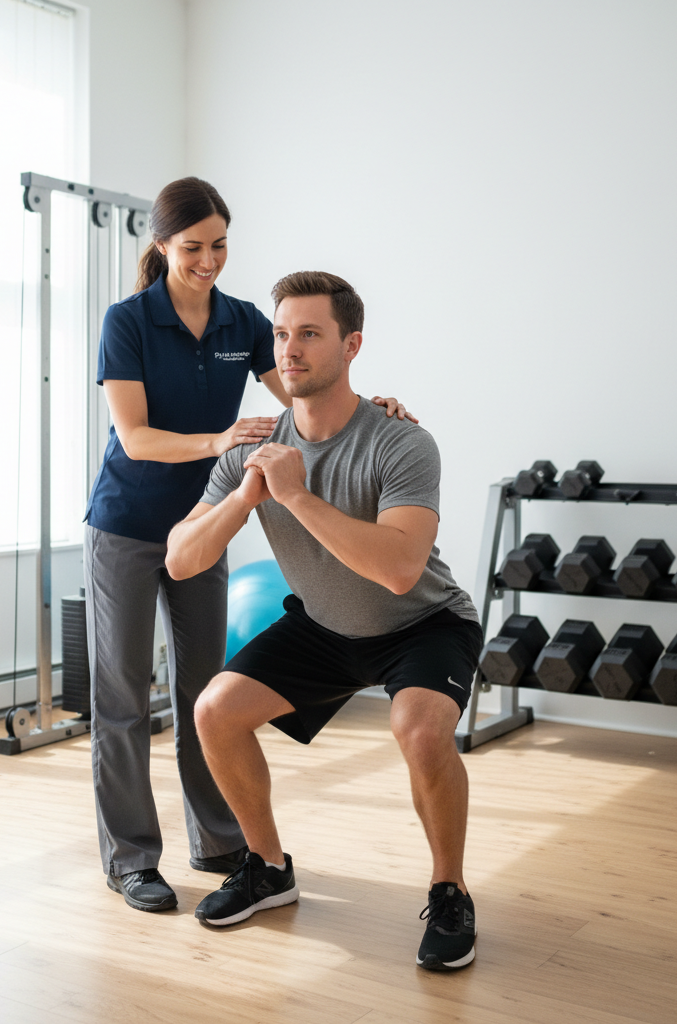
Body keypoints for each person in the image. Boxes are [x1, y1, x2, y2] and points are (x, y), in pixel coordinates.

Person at [83, 179, 416, 915]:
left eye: (220, 245)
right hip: (129, 527)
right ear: (163, 244)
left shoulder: (240, 321)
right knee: (124, 699)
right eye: (194, 247)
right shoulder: (128, 321)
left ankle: (220, 841)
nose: (209, 260)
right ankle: (132, 859)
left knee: (206, 694)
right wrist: (220, 441)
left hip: (207, 522)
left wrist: (377, 408)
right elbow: (134, 437)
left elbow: (303, 392)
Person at [165, 270, 483, 970]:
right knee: (215, 708)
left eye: (310, 333)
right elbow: (182, 559)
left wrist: (298, 498)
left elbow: (401, 567)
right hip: (324, 624)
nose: (290, 349)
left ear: (352, 344)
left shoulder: (400, 441)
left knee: (420, 729)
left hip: (422, 622)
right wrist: (244, 496)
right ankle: (269, 868)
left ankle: (450, 889)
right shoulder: (253, 444)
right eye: (281, 334)